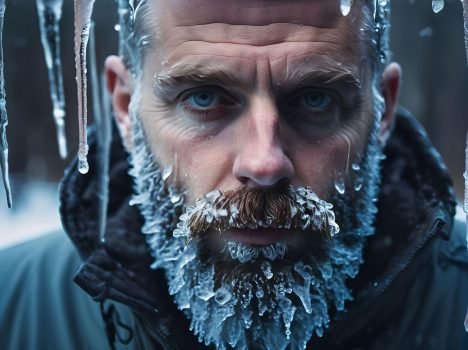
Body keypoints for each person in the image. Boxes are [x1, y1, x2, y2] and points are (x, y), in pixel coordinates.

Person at [1, 1, 467, 349]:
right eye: (204, 98)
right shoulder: (13, 307)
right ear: (125, 106)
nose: (264, 163)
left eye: (315, 100)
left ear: (381, 110)